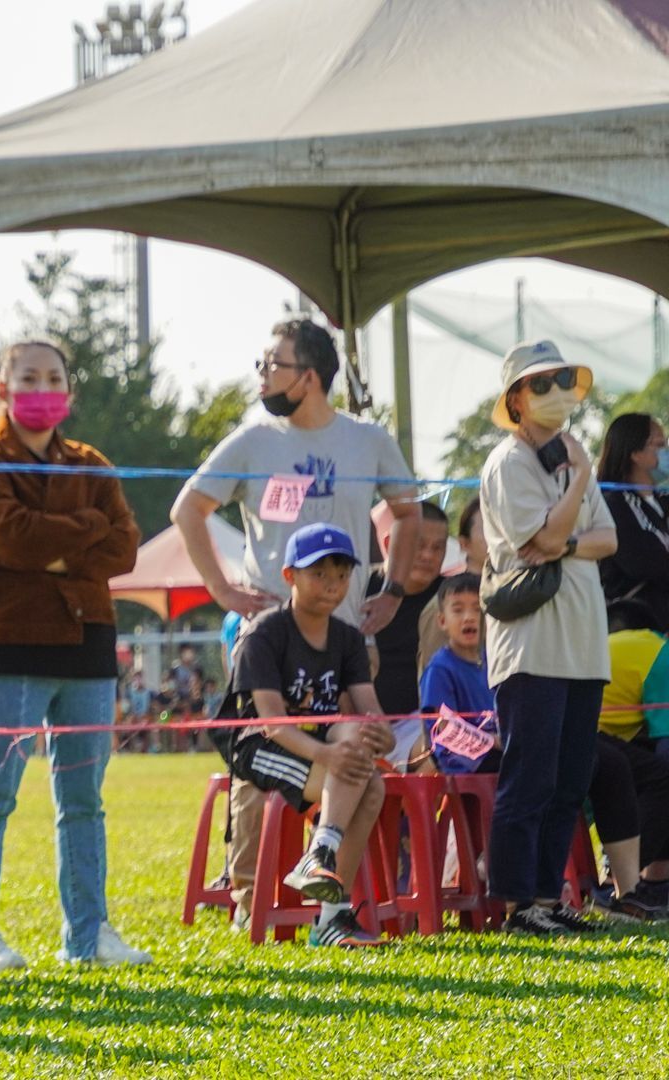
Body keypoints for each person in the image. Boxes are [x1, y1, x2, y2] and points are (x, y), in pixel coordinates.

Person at [171, 317, 420, 919]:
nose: (262, 376)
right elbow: (189, 510)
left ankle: (332, 899)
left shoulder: (367, 439)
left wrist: (391, 593)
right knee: (263, 761)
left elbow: (408, 514)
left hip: (348, 630)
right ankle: (248, 893)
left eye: (271, 364)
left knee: (354, 747)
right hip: (267, 627)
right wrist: (223, 590)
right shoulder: (253, 440)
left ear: (308, 376)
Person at [0, 339, 149, 969]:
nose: (41, 387)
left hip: (88, 647)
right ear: (2, 388)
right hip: (8, 643)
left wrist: (54, 548)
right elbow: (11, 538)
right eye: (27, 376)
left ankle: (88, 936)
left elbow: (125, 550)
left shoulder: (92, 463)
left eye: (53, 376)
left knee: (83, 800)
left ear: (70, 389)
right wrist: (82, 532)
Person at [476, 339, 618, 934]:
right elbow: (538, 540)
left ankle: (546, 896)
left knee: (569, 779)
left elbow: (605, 540)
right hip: (532, 646)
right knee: (529, 777)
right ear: (515, 399)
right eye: (541, 383)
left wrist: (566, 538)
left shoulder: (566, 461)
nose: (557, 393)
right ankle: (516, 904)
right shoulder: (509, 463)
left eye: (563, 380)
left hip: (584, 643)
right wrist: (582, 476)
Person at [211, 523, 393, 947]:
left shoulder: (347, 638)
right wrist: (328, 756)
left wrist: (380, 732)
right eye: (320, 573)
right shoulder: (265, 633)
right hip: (263, 747)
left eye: (342, 575)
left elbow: (368, 707)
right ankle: (331, 913)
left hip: (322, 745)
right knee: (367, 784)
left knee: (360, 750)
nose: (333, 585)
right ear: (290, 576)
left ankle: (322, 864)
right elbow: (271, 723)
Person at [592, 600, 669, 918]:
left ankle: (653, 883)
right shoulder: (661, 654)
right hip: (582, 736)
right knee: (663, 778)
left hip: (581, 732)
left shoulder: (643, 644)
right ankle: (626, 880)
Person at [366, 502, 451, 771]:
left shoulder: (453, 598)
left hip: (426, 723)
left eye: (438, 548)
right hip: (363, 726)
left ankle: (411, 812)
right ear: (391, 542)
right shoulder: (359, 589)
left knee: (450, 746)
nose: (428, 555)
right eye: (419, 544)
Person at [418, 574, 500, 776]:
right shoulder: (440, 668)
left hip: (495, 750)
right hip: (462, 759)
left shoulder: (493, 661)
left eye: (476, 608)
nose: (469, 617)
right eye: (458, 610)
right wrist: (493, 741)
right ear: (442, 621)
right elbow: (444, 726)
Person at [596, 412, 669, 629]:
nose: (666, 450)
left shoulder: (662, 499)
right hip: (637, 631)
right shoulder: (613, 505)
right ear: (635, 453)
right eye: (660, 444)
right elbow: (648, 564)